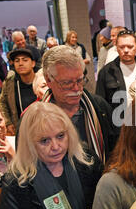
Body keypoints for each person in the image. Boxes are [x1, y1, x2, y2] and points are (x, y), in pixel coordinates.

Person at [0, 102, 97, 209]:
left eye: (60, 136)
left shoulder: (85, 159)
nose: (56, 146)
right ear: (29, 143)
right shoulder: (16, 183)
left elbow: (103, 204)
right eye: (44, 140)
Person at [41, 45, 119, 178]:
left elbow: (117, 149)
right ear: (48, 80)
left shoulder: (99, 108)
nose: (76, 88)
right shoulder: (35, 120)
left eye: (79, 80)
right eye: (66, 83)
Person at [96, 30, 136, 110]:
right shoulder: (106, 72)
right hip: (117, 120)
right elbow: (100, 103)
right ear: (116, 48)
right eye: (122, 47)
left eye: (130, 47)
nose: (126, 50)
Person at [0, 48, 37, 135]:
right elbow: (2, 102)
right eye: (17, 61)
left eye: (25, 60)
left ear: (33, 63)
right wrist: (8, 122)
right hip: (21, 129)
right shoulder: (10, 83)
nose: (20, 63)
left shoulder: (42, 81)